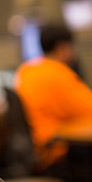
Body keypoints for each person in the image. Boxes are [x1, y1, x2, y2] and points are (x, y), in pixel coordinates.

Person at [14, 23, 92, 172]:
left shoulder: (26, 71)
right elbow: (89, 109)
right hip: (55, 152)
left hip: (37, 149)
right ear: (62, 47)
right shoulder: (58, 74)